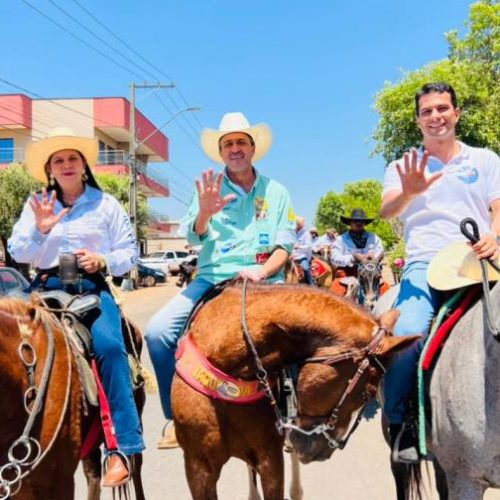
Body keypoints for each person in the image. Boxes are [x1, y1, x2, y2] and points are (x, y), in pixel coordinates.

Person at [145, 112, 296, 449]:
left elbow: (284, 247)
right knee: (157, 333)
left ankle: (296, 414)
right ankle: (174, 419)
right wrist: (204, 213)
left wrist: (262, 271)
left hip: (266, 283)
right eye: (228, 143)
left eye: (241, 141)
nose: (235, 148)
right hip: (213, 280)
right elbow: (195, 238)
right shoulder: (207, 189)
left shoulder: (277, 192)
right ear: (221, 151)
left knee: (309, 335)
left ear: (253, 148)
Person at [8, 128, 144, 487]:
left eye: (72, 158)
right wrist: (39, 230)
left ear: (83, 164)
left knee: (112, 349)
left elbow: (130, 254)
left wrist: (102, 259)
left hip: (91, 291)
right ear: (50, 169)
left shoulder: (106, 204)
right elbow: (19, 252)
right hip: (42, 290)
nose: (66, 164)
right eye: (58, 160)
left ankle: (121, 447)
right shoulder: (37, 204)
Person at [380, 82, 500, 463]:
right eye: (428, 111)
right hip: (426, 264)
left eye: (443, 108)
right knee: (405, 334)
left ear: (456, 113)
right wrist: (409, 192)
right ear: (418, 120)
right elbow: (387, 211)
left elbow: (498, 208)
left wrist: (495, 238)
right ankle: (402, 426)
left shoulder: (484, 160)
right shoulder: (402, 166)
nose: (436, 116)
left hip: (479, 259)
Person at [330, 208, 384, 296]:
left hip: (372, 275)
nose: (359, 223)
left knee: (387, 292)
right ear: (350, 223)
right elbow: (334, 258)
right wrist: (353, 258)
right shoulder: (340, 239)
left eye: (361, 221)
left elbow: (380, 251)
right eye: (355, 221)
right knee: (334, 296)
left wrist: (373, 257)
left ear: (364, 223)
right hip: (347, 273)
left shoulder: (374, 237)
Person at [291, 216, 314, 284]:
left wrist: (299, 247)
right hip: (291, 256)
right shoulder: (292, 232)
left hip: (301, 256)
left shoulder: (306, 234)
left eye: (299, 224)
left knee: (305, 268)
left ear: (302, 224)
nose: (298, 225)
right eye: (297, 223)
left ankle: (312, 285)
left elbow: (308, 246)